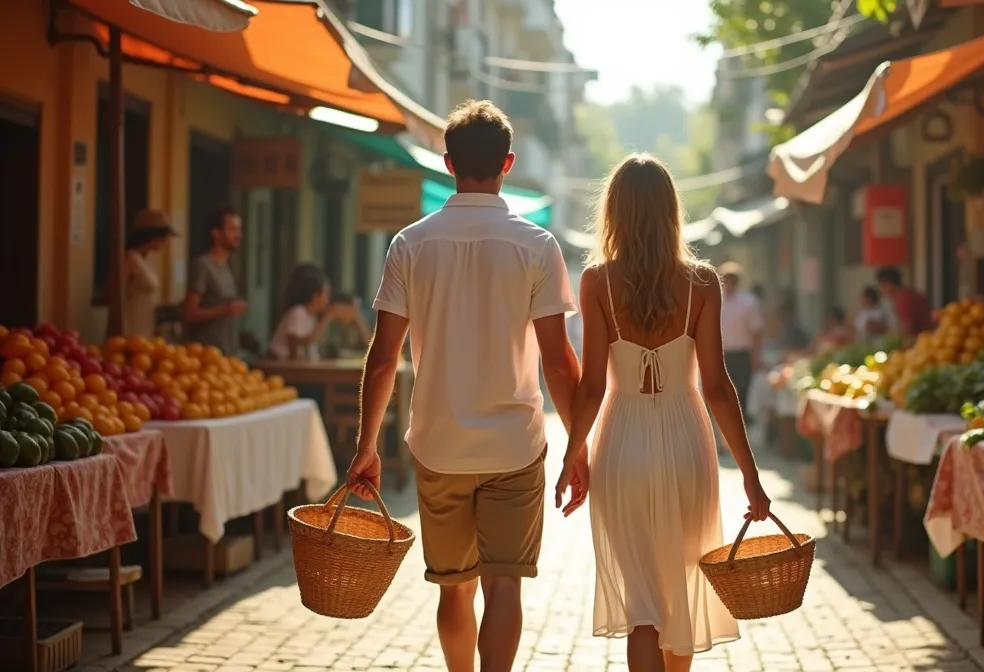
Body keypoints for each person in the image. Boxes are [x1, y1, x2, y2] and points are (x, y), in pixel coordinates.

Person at [346, 100, 581, 672]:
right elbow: (557, 360)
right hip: (515, 446)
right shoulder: (538, 246)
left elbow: (382, 360)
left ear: (448, 162)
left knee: (454, 589)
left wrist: (366, 447)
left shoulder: (409, 244)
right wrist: (579, 446)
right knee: (505, 588)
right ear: (509, 163)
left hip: (439, 443)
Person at [559, 154, 768, 672]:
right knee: (680, 588)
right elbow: (718, 388)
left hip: (621, 441)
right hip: (685, 444)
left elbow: (589, 386)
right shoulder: (702, 283)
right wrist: (750, 473)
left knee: (642, 608)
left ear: (614, 213)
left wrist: (571, 456)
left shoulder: (597, 282)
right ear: (673, 212)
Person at [182, 208, 246, 354]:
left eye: (239, 230)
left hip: (228, 354)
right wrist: (225, 309)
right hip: (206, 355)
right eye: (232, 229)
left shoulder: (228, 266)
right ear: (215, 232)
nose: (239, 235)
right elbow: (189, 313)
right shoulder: (203, 265)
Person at [267, 265, 342, 361]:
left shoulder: (311, 317)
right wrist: (326, 319)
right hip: (279, 363)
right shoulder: (297, 312)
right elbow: (296, 345)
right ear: (315, 296)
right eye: (325, 295)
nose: (327, 301)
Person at [717, 261, 764, 414]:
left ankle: (743, 426)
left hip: (742, 354)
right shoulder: (716, 301)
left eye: (732, 279)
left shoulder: (748, 302)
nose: (729, 283)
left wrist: (756, 357)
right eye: (726, 278)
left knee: (742, 391)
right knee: (721, 392)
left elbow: (756, 331)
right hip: (721, 354)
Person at [122, 210, 176, 338]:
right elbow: (114, 292)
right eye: (162, 237)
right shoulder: (130, 259)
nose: (164, 242)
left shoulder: (148, 259)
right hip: (131, 325)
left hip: (146, 325)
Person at [877, 267, 933, 340]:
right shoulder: (904, 295)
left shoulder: (904, 298)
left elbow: (907, 327)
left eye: (882, 285)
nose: (881, 289)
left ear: (889, 284)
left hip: (923, 340)